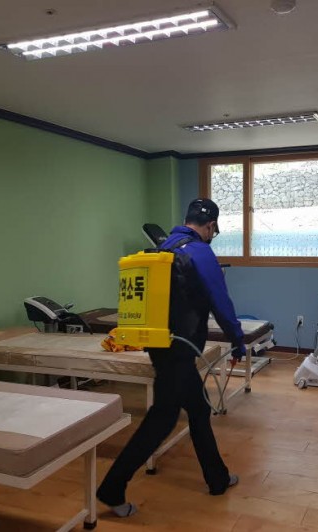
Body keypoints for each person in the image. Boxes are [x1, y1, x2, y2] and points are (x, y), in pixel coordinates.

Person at [96, 198, 247, 517]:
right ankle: (112, 487)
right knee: (162, 418)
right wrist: (238, 341)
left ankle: (217, 478)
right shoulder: (200, 252)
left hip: (160, 344)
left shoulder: (164, 246)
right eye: (213, 231)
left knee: (199, 408)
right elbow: (221, 302)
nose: (212, 235)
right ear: (210, 226)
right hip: (180, 349)